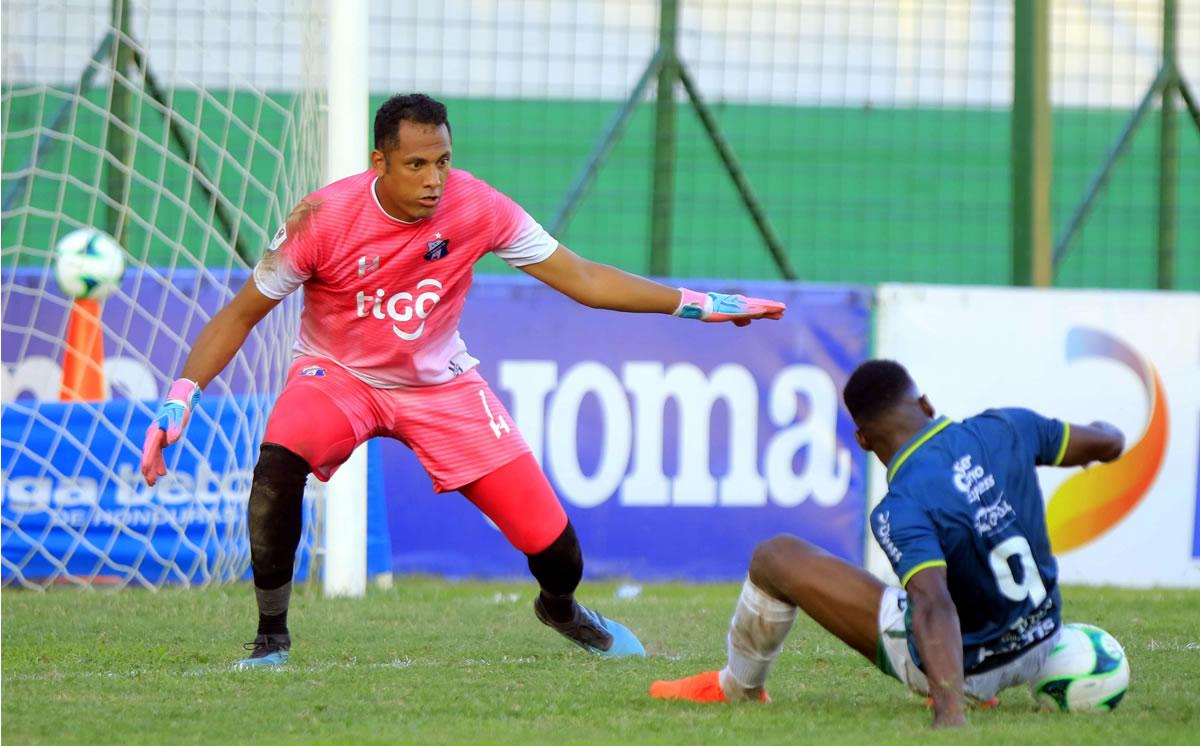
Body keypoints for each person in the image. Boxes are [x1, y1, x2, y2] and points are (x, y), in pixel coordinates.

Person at [139, 93, 786, 670]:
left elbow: (584, 279)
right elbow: (240, 313)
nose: (433, 179)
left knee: (559, 553)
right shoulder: (322, 219)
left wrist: (698, 303)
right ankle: (271, 640)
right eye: (416, 164)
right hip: (338, 375)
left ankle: (561, 609)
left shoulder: (477, 206)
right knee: (279, 460)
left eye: (442, 161)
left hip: (441, 387)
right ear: (378, 162)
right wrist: (181, 394)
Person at [649, 358, 1124, 728]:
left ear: (861, 439)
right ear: (926, 405)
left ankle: (739, 689)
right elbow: (1105, 444)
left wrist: (950, 711)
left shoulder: (901, 508)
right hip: (1045, 636)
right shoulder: (1007, 428)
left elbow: (932, 602)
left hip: (973, 671)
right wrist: (1110, 432)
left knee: (774, 557)